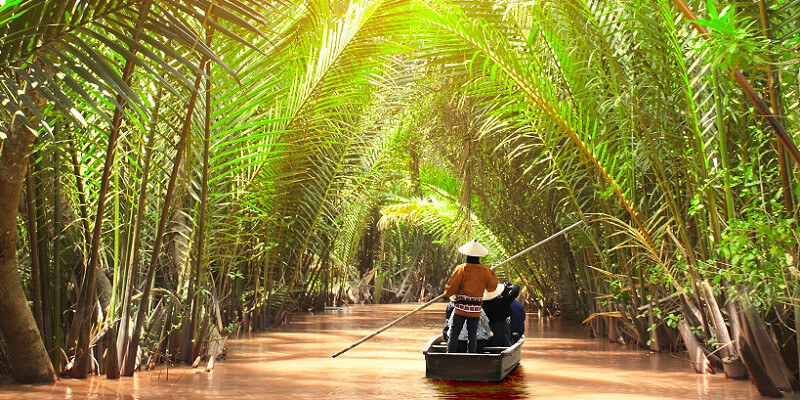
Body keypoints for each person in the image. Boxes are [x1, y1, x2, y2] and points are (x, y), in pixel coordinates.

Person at [443, 240, 499, 353]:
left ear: (467, 255)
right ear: (479, 256)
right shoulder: (485, 271)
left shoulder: (462, 269)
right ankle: (471, 356)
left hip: (461, 309)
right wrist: (492, 273)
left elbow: (452, 287)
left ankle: (450, 356)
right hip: (475, 309)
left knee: (454, 333)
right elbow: (491, 287)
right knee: (472, 335)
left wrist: (447, 294)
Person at [481, 282, 520, 346]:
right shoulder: (502, 301)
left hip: (487, 337)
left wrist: (504, 291)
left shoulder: (482, 303)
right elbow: (516, 290)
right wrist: (510, 287)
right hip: (501, 337)